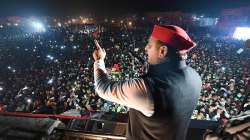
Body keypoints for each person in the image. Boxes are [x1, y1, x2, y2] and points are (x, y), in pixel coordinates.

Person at [92, 25, 202, 140]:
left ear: (162, 51)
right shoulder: (195, 77)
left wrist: (99, 61)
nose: (145, 48)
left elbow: (102, 88)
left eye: (149, 45)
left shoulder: (149, 87)